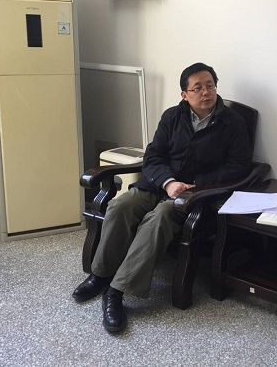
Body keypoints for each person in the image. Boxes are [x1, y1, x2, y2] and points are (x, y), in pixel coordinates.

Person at [72, 62, 252, 332]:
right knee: (120, 205)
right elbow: (154, 155)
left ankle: (117, 291)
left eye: (210, 86)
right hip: (160, 185)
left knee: (160, 217)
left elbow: (239, 166)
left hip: (194, 195)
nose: (206, 92)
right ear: (185, 94)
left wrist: (195, 184)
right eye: (198, 88)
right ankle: (100, 275)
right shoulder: (172, 117)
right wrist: (168, 182)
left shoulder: (232, 122)